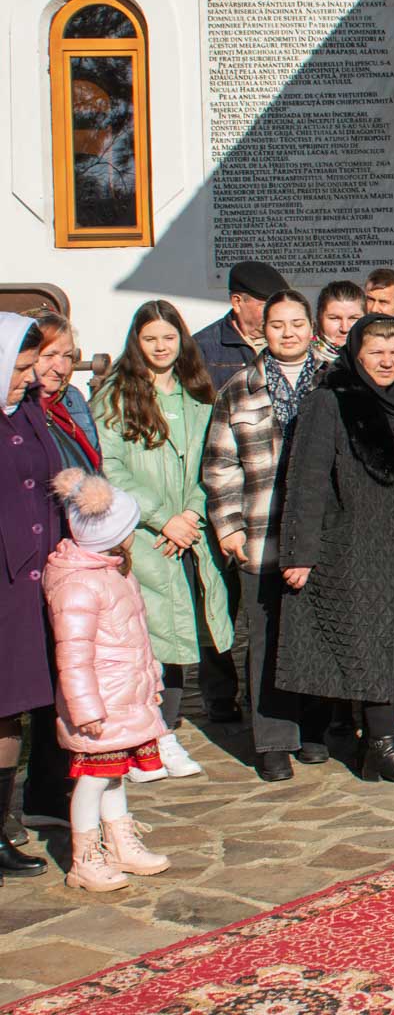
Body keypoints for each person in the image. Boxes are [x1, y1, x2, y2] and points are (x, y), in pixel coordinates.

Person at [279, 316, 394, 784]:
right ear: (356, 354)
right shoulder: (330, 402)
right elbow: (307, 479)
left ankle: (378, 742)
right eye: (376, 352)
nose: (387, 361)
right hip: (356, 545)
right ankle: (381, 745)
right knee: (371, 645)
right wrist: (300, 551)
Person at [92, 300, 231, 777]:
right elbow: (110, 466)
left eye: (168, 338)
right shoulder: (116, 398)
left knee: (182, 630)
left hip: (190, 533)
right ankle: (154, 735)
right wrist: (161, 517)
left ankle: (162, 731)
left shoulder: (198, 394)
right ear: (137, 342)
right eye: (150, 339)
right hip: (145, 536)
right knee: (150, 638)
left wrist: (190, 513)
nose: (160, 347)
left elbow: (213, 459)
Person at [201, 290, 331, 782]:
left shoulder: (332, 381)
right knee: (267, 637)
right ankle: (273, 739)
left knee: (316, 634)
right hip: (261, 532)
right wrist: (229, 525)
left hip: (321, 536)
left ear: (311, 328)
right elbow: (220, 465)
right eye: (278, 324)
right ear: (264, 330)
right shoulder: (240, 388)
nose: (288, 333)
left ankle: (314, 729)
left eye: (297, 323)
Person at [43, 470, 173, 891]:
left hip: (124, 697)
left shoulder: (114, 573)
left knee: (114, 773)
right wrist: (85, 709)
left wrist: (152, 680)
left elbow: (137, 638)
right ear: (112, 535)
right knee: (94, 778)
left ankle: (119, 841)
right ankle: (84, 857)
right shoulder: (79, 585)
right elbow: (73, 656)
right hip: (100, 703)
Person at [0, 315, 58, 884]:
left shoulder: (29, 410)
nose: (30, 377)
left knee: (10, 706)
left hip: (29, 583)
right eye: (19, 368)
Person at [193, 261, 290, 393]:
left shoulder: (292, 338)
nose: (275, 314)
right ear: (237, 302)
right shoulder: (203, 347)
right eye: (267, 306)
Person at [27, 312, 99, 472]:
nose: (61, 368)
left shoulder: (72, 397)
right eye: (49, 355)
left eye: (67, 356)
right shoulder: (16, 407)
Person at [313, 281, 366, 366]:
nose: (345, 328)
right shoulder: (301, 359)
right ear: (319, 318)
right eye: (334, 318)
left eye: (353, 318)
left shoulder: (382, 358)